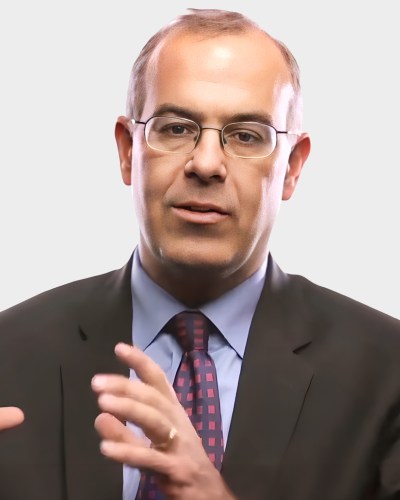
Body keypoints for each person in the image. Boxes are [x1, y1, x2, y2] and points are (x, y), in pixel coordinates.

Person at [0, 8, 399, 500]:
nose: (206, 163)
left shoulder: (387, 376)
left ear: (293, 168)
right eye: (175, 128)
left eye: (247, 135)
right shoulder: (8, 356)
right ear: (128, 151)